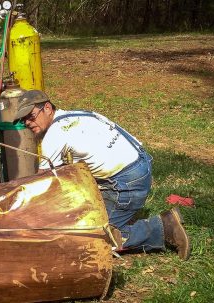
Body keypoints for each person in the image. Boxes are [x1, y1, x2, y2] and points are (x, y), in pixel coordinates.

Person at [15, 90, 191, 260]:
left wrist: (19, 208)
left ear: (47, 108)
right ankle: (117, 214)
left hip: (126, 183)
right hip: (140, 165)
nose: (28, 123)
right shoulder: (78, 114)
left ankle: (162, 228)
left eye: (31, 116)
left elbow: (42, 183)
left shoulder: (54, 135)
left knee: (93, 238)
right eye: (24, 120)